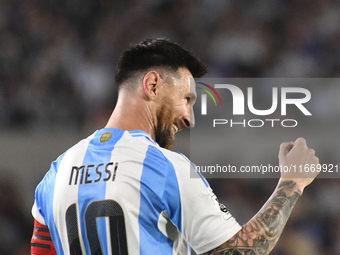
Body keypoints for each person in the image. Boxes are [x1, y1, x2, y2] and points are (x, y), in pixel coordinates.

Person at [31, 38, 319, 255]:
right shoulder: (165, 167)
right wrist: (292, 183)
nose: (189, 118)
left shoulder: (55, 175)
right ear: (153, 85)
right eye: (187, 100)